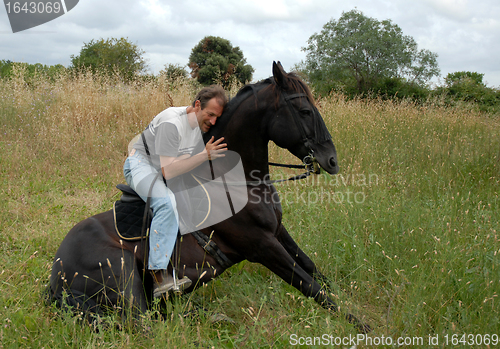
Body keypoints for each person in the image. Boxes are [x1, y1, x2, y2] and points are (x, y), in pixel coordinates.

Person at [123, 85, 228, 297]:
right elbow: (169, 171)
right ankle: (158, 276)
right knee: (166, 203)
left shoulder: (199, 125)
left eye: (217, 117)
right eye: (210, 115)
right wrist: (204, 155)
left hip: (164, 165)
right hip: (141, 165)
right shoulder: (172, 122)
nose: (213, 121)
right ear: (197, 105)